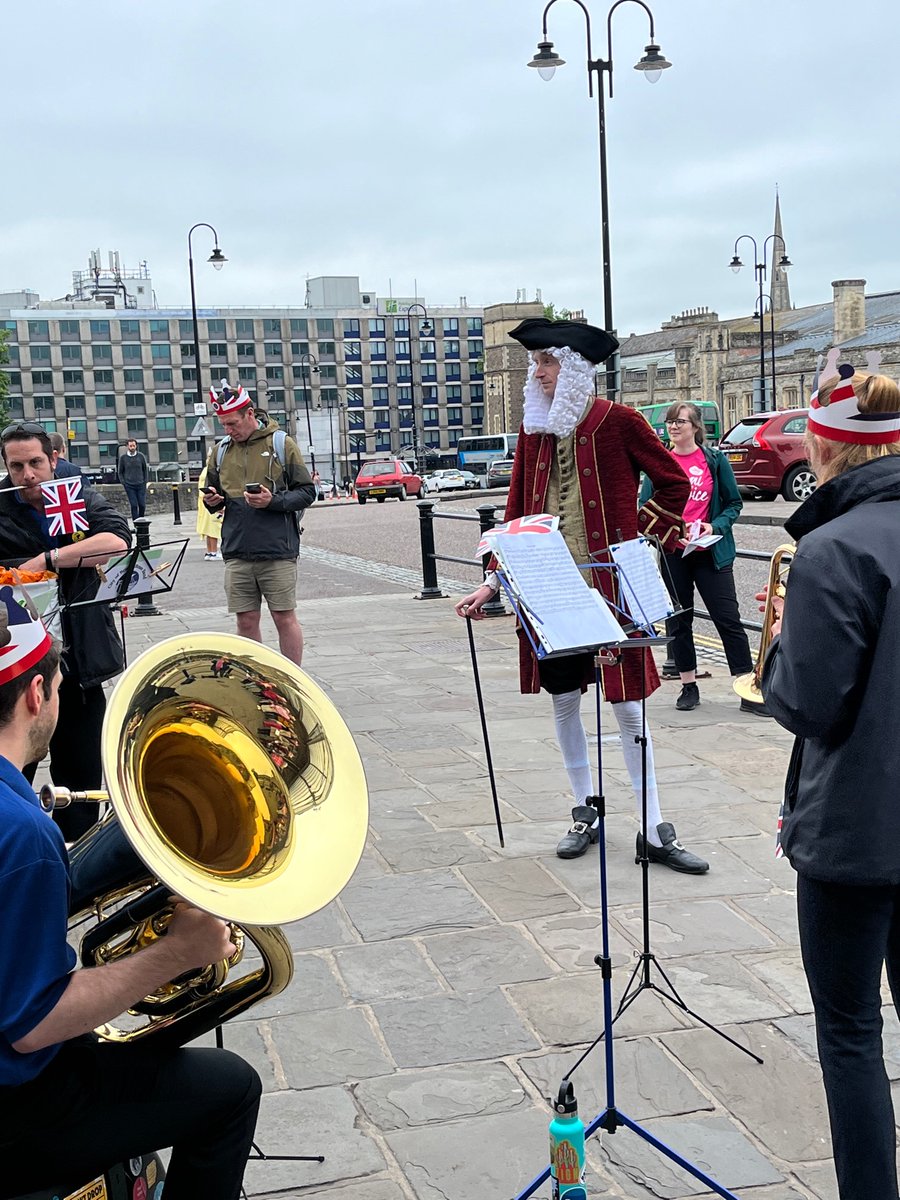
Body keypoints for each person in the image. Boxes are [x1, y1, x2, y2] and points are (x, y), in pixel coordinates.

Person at [0, 593, 262, 1199]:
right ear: (36, 694)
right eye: (60, 686)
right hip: (14, 1111)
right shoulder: (24, 834)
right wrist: (175, 953)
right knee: (229, 1089)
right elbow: (31, 1024)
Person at [456, 318, 708, 873]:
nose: (539, 373)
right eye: (535, 365)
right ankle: (584, 810)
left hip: (611, 590)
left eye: (547, 363)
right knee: (566, 699)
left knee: (628, 709)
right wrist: (493, 580)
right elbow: (518, 513)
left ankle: (653, 825)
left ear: (572, 367)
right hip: (550, 595)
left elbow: (674, 483)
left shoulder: (620, 422)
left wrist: (641, 540)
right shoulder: (533, 431)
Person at [760, 365, 900, 1200]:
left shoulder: (833, 547)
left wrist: (780, 647)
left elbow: (808, 705)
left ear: (827, 448)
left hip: (860, 827)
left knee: (850, 1031)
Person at [0, 422, 129, 841]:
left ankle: (78, 862)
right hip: (21, 666)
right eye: (16, 466)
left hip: (81, 656)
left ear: (53, 459)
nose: (28, 475)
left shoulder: (74, 496)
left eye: (36, 463)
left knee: (83, 778)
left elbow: (117, 539)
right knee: (14, 773)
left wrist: (50, 557)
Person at [639, 401, 757, 713]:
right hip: (674, 553)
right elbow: (646, 508)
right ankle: (688, 686)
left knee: (728, 620)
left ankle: (747, 686)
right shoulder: (660, 464)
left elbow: (733, 503)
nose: (674, 427)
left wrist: (713, 525)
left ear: (695, 427)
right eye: (670, 422)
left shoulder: (715, 460)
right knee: (680, 621)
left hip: (711, 552)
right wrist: (669, 530)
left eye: (680, 421)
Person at [203, 382, 316, 666]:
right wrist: (214, 501)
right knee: (246, 619)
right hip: (237, 549)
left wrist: (272, 502)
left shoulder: (281, 443)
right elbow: (211, 494)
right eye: (223, 425)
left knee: (283, 616)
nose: (228, 430)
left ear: (250, 413)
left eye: (232, 423)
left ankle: (293, 680)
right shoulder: (219, 451)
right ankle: (257, 680)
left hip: (277, 548)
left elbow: (307, 492)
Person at [118, 437, 148, 520]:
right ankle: (136, 522)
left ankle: (141, 520)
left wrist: (145, 481)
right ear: (127, 446)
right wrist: (124, 483)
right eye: (130, 446)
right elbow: (120, 472)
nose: (132, 447)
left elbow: (145, 469)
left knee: (142, 504)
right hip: (129, 485)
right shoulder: (123, 458)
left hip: (141, 484)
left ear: (136, 446)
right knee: (134, 505)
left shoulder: (141, 456)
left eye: (134, 446)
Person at [196, 465, 223, 559]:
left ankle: (210, 552)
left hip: (204, 501)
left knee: (208, 529)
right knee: (213, 528)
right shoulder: (213, 469)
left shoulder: (205, 469)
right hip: (211, 501)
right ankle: (214, 552)